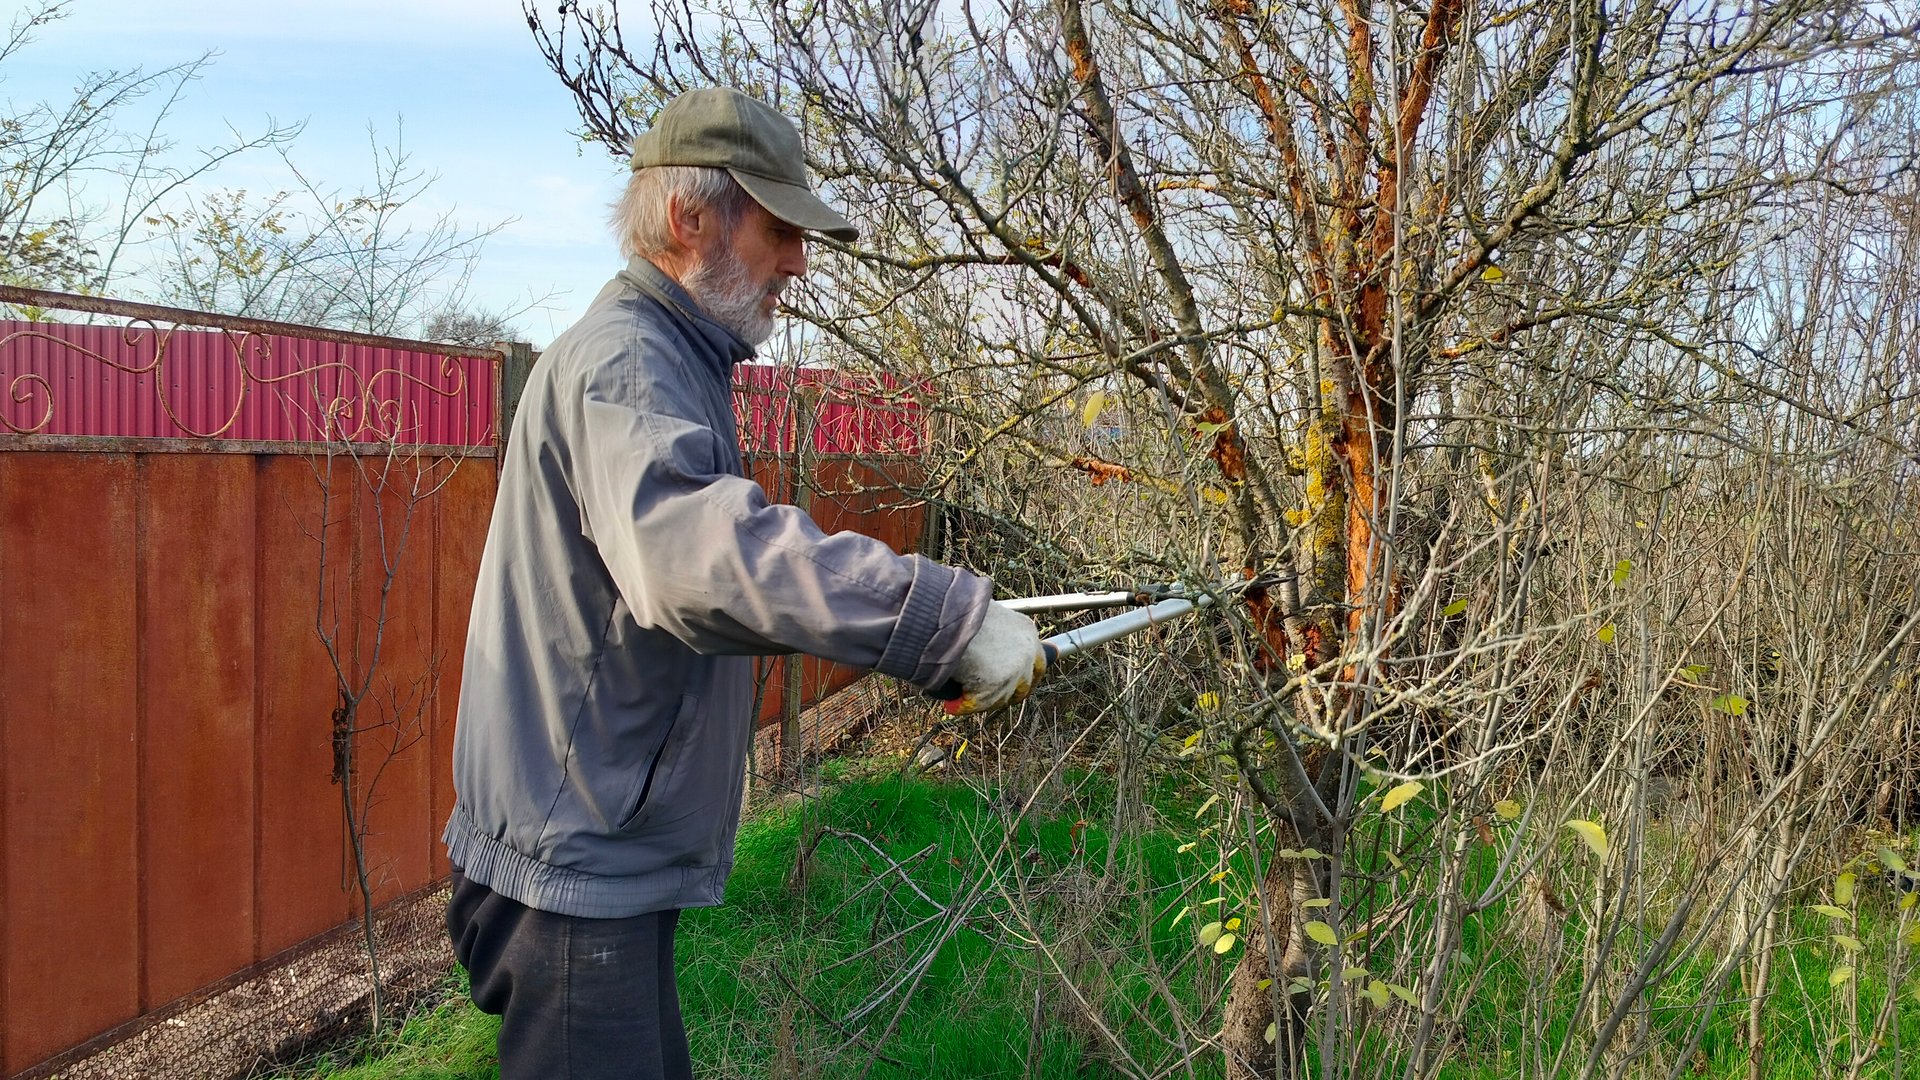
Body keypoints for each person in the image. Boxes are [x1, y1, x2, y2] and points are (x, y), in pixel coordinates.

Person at [441, 87, 1046, 1079]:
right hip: (574, 878)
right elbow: (708, 559)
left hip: (587, 856)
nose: (800, 262)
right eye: (779, 230)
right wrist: (942, 622)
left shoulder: (668, 358)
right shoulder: (628, 367)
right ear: (689, 219)